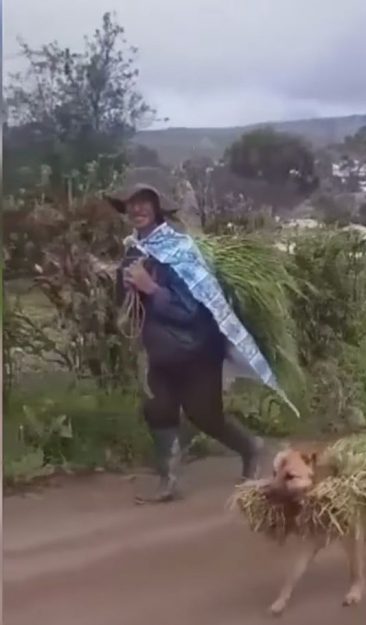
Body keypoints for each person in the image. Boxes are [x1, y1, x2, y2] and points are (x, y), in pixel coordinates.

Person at [106, 184, 264, 503]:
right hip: (160, 352)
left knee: (204, 415)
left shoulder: (182, 250)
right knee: (158, 408)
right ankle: (169, 480)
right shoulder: (134, 250)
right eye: (131, 204)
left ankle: (252, 448)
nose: (136, 210)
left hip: (197, 351)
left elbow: (193, 309)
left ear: (157, 208)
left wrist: (150, 288)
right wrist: (125, 287)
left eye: (144, 203)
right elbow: (125, 305)